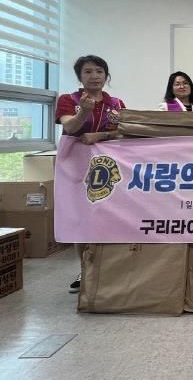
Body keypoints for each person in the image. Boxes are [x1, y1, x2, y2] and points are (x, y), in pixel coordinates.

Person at [56, 55, 126, 293]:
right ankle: (85, 269)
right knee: (81, 218)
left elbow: (126, 130)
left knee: (109, 216)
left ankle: (108, 270)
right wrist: (83, 113)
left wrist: (102, 136)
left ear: (106, 75)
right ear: (79, 76)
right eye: (87, 71)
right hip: (75, 168)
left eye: (99, 71)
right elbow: (70, 127)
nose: (94, 76)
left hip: (109, 167)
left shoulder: (117, 103)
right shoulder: (69, 100)